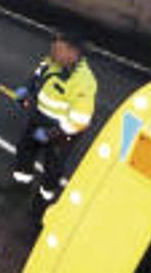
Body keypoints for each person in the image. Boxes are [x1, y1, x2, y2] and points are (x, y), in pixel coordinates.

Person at [10, 31, 98, 207]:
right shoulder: (51, 61)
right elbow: (37, 76)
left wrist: (51, 133)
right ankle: (21, 183)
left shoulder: (84, 82)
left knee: (53, 165)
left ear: (72, 53)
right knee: (25, 149)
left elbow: (79, 120)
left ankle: (44, 199)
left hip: (62, 130)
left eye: (58, 49)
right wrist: (27, 90)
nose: (52, 51)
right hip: (40, 118)